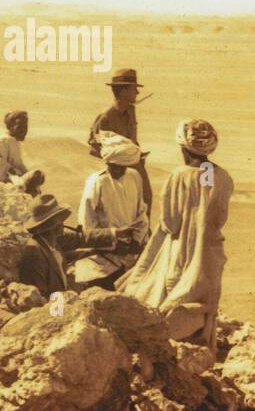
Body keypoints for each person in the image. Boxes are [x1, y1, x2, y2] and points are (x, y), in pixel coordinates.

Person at [120, 119, 233, 348]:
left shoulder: (179, 175)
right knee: (205, 301)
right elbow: (219, 217)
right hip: (210, 252)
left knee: (170, 294)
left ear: (184, 148)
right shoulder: (223, 177)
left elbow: (170, 222)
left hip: (181, 248)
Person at [17, 194, 132, 299]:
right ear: (50, 225)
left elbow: (82, 237)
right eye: (58, 219)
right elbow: (37, 297)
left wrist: (115, 233)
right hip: (50, 310)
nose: (62, 223)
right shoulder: (34, 254)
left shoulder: (54, 239)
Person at [73, 133, 150, 290]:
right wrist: (111, 243)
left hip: (129, 255)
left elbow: (141, 212)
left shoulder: (134, 177)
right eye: (112, 166)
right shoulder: (97, 181)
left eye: (120, 167)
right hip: (102, 260)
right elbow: (87, 221)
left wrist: (136, 241)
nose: (116, 170)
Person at [87, 68, 152, 213]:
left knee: (146, 201)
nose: (137, 93)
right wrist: (119, 158)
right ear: (123, 91)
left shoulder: (130, 111)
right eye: (134, 89)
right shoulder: (105, 118)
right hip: (117, 172)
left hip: (136, 166)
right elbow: (94, 147)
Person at [0, 110, 44, 193]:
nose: (23, 130)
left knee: (39, 176)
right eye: (19, 126)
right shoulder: (3, 140)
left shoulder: (14, 141)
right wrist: (7, 169)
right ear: (10, 127)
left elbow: (18, 164)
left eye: (25, 127)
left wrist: (25, 173)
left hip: (12, 179)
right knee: (36, 175)